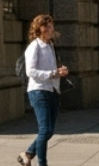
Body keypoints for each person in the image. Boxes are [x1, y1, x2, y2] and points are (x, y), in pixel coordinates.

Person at [17, 14, 69, 166]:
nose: (51, 29)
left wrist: (61, 70)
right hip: (38, 91)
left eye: (51, 26)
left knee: (49, 131)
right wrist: (52, 73)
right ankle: (42, 163)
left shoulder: (51, 46)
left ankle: (27, 154)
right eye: (48, 26)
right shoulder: (35, 46)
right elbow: (30, 72)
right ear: (41, 29)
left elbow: (52, 68)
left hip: (52, 90)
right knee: (44, 129)